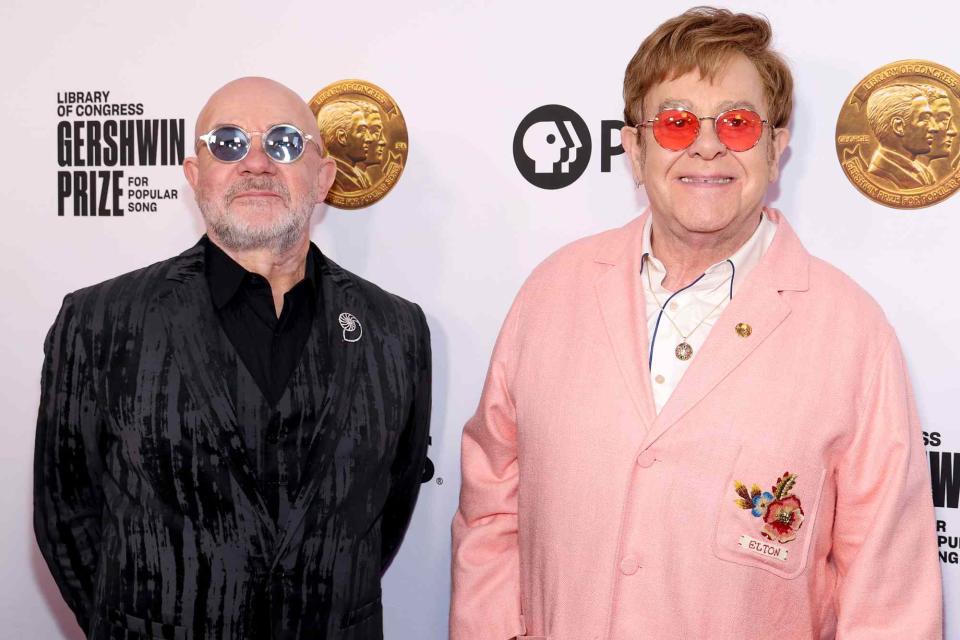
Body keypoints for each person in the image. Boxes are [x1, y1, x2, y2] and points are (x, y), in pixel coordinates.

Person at [451, 8, 942, 639]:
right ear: (634, 148)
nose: (706, 145)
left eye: (736, 124)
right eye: (677, 123)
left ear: (775, 145)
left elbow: (889, 590)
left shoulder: (853, 333)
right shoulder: (551, 293)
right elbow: (491, 508)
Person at [34, 77, 432, 640]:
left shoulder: (397, 330)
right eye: (226, 143)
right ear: (196, 176)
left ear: (324, 178)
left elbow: (387, 513)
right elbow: (67, 518)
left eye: (285, 143)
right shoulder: (99, 321)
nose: (256, 162)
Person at [865, 83, 939, 189]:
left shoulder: (924, 172)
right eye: (925, 119)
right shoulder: (879, 174)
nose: (934, 128)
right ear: (898, 126)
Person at [316, 98, 382, 192]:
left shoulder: (361, 176)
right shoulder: (332, 178)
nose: (369, 139)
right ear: (342, 137)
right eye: (362, 131)